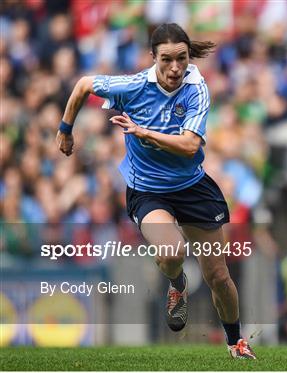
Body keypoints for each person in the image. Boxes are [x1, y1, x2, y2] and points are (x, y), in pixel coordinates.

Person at [56, 23, 256, 359]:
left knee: (218, 275)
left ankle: (235, 343)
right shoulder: (132, 86)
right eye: (167, 60)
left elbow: (191, 146)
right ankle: (177, 284)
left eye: (182, 58)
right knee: (172, 251)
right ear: (153, 58)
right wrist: (65, 130)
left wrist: (142, 132)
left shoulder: (196, 88)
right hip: (148, 191)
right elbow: (83, 85)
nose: (175, 67)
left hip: (192, 186)